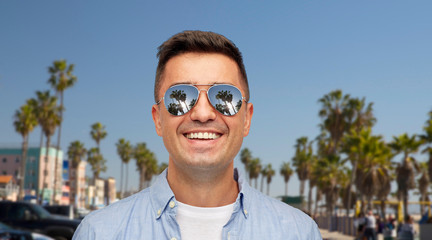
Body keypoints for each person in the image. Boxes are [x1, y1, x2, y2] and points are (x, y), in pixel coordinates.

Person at [72, 30, 322, 240]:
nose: (203, 113)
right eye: (179, 98)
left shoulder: (299, 233)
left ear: (247, 118)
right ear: (158, 119)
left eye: (225, 97)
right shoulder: (98, 232)